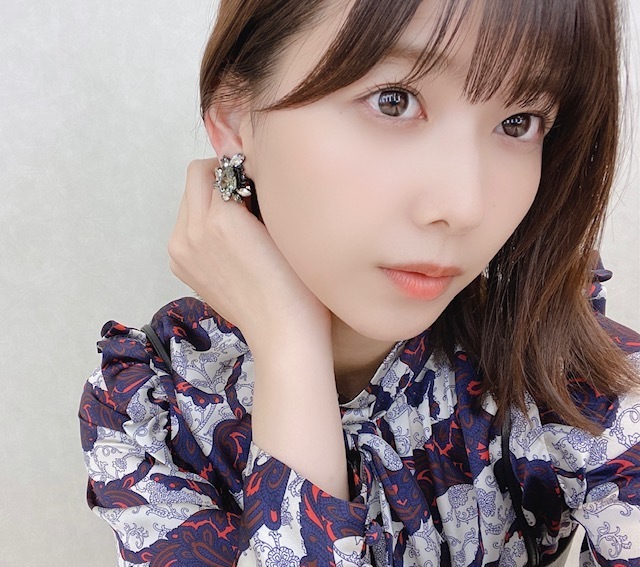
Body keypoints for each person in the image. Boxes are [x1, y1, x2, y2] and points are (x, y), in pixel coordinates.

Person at [79, 0, 640, 565]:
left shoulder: (567, 384)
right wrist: (289, 347)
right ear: (233, 116)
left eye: (518, 122)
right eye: (394, 100)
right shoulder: (152, 416)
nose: (464, 206)